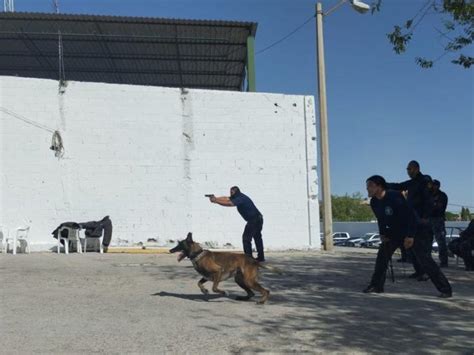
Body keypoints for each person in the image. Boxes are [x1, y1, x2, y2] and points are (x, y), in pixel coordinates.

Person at [363, 175, 452, 298]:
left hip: (414, 231)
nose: (368, 189)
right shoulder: (374, 202)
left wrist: (410, 236)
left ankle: (446, 289)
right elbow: (381, 219)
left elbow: (411, 216)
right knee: (382, 257)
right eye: (367, 186)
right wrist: (383, 234)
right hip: (394, 233)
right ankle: (376, 285)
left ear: (379, 186)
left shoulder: (394, 196)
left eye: (370, 186)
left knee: (425, 260)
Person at [387, 160, 433, 281]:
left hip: (422, 219)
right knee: (412, 247)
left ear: (417, 168)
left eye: (410, 169)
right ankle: (419, 271)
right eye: (407, 169)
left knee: (422, 248)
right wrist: (383, 184)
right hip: (413, 219)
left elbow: (428, 200)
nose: (408, 171)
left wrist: (425, 217)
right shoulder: (412, 182)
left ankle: (427, 272)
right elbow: (399, 186)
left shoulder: (424, 181)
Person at [207, 186, 265, 262]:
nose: (230, 194)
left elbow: (230, 203)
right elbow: (227, 198)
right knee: (257, 238)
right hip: (257, 219)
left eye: (232, 192)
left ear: (236, 192)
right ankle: (260, 257)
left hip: (254, 220)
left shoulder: (240, 198)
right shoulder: (238, 196)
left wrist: (216, 201)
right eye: (230, 192)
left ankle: (249, 259)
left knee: (246, 239)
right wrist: (216, 199)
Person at [431, 179, 448, 267]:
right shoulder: (429, 195)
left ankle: (444, 261)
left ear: (437, 186)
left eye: (434, 185)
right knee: (426, 241)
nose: (432, 187)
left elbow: (439, 208)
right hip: (429, 220)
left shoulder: (442, 196)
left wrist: (432, 205)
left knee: (441, 241)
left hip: (438, 220)